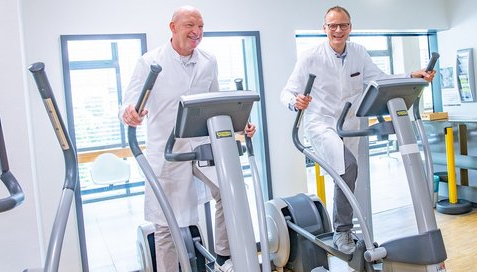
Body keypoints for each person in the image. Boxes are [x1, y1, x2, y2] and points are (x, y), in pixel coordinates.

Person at [280, 6, 435, 255]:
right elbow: (286, 92)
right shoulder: (310, 56)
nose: (338, 30)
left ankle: (346, 228)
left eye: (343, 25)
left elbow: (379, 79)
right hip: (321, 123)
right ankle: (342, 230)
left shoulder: (359, 53)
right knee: (348, 168)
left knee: (346, 176)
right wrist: (294, 101)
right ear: (324, 29)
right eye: (332, 26)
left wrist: (411, 75)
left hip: (349, 124)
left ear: (350, 27)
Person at [119, 6, 255, 272]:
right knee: (165, 222)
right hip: (168, 151)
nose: (197, 32)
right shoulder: (150, 62)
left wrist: (240, 125)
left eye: (201, 26)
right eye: (190, 25)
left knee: (230, 191)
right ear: (173, 27)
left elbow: (217, 103)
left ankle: (226, 257)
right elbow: (129, 103)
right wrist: (130, 113)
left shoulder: (208, 61)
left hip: (203, 146)